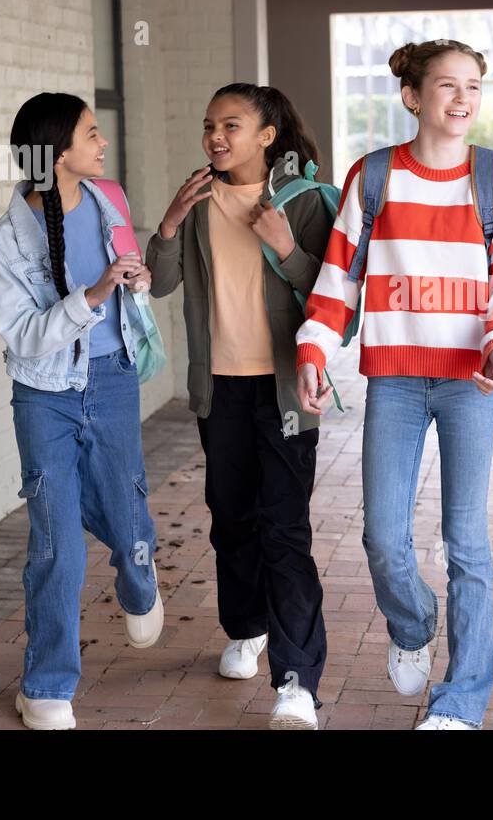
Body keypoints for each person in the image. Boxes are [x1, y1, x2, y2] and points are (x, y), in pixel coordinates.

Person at [295, 39, 493, 729]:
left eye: (474, 87)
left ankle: (460, 702)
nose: (463, 99)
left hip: (469, 382)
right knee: (383, 538)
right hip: (395, 379)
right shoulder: (373, 177)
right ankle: (412, 622)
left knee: (467, 541)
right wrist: (313, 349)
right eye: (447, 86)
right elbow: (338, 275)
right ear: (412, 97)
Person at [145, 84, 334, 730]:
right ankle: (247, 627)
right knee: (230, 516)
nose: (216, 137)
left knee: (285, 527)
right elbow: (160, 280)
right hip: (218, 386)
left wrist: (284, 245)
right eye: (208, 126)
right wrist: (169, 222)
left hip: (284, 387)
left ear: (267, 134)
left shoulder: (306, 202)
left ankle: (297, 680)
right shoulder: (197, 200)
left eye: (231, 124)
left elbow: (335, 299)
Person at [0, 92, 160, 731]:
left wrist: (132, 281)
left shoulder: (109, 198)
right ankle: (46, 685)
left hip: (113, 381)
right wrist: (93, 294)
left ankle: (139, 572)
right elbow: (26, 336)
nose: (102, 142)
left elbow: (126, 277)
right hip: (43, 394)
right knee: (56, 539)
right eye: (91, 133)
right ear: (59, 153)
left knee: (126, 508)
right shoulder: (6, 242)